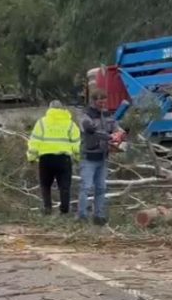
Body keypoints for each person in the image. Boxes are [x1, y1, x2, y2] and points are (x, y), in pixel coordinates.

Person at [78, 88, 125, 225]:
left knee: (101, 188)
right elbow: (90, 130)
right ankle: (82, 216)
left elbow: (117, 128)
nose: (102, 104)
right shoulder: (86, 115)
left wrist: (120, 135)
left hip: (103, 157)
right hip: (88, 157)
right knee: (86, 187)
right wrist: (109, 136)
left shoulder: (108, 115)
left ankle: (99, 216)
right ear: (93, 101)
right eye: (100, 101)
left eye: (104, 101)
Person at [27, 100, 81, 215]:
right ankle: (64, 210)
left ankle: (47, 208)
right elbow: (76, 143)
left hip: (46, 158)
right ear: (62, 109)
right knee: (64, 186)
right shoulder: (70, 124)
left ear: (49, 108)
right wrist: (77, 157)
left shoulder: (42, 123)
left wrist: (31, 157)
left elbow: (34, 141)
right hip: (63, 159)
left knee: (45, 185)